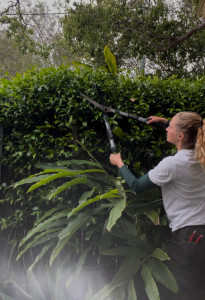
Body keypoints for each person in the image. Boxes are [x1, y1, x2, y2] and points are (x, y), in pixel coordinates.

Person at [109, 112, 205, 300]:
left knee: (185, 293)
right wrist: (164, 122)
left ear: (181, 136)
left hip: (189, 238)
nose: (167, 129)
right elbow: (192, 129)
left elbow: (136, 186)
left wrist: (119, 163)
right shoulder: (201, 156)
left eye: (170, 127)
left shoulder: (173, 164)